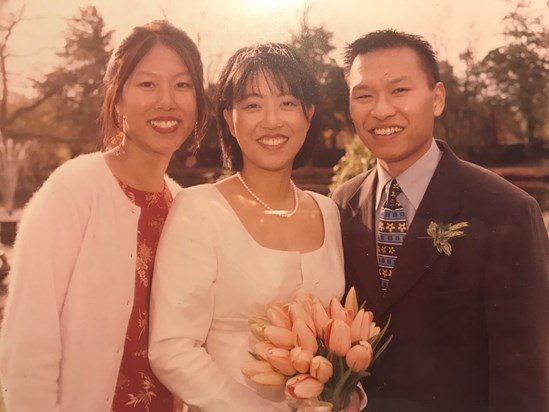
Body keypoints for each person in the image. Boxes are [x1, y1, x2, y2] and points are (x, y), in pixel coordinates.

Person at [332, 29, 549, 412]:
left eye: (399, 90)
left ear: (437, 99)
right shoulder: (340, 203)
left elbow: (524, 372)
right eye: (364, 95)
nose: (381, 110)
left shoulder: (506, 209)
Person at [0, 20, 208, 412]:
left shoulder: (185, 206)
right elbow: (28, 342)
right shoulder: (73, 190)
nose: (167, 100)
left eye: (183, 85)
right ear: (117, 98)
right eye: (147, 84)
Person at [149, 43, 363, 412]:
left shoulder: (328, 211)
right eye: (252, 105)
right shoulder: (200, 209)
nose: (271, 120)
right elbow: (171, 347)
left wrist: (345, 396)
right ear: (230, 120)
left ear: (308, 114)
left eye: (287, 103)